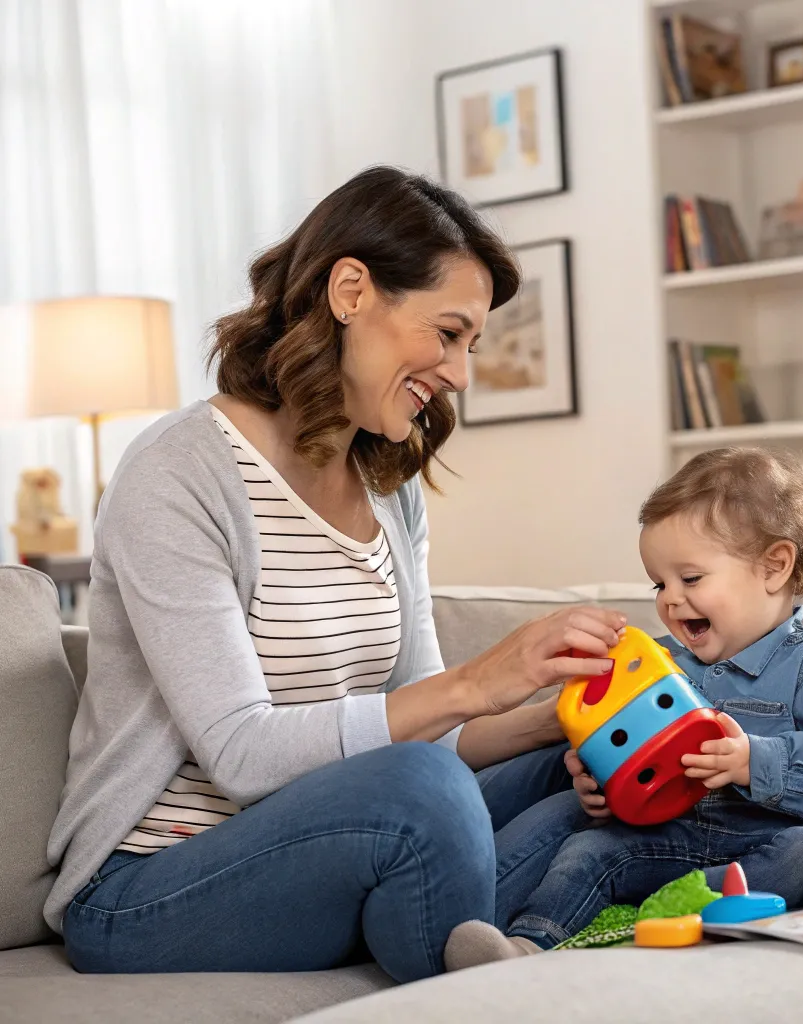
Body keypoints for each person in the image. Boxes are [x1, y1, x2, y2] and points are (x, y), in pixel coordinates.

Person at [49, 166, 624, 982]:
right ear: (351, 291)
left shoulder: (388, 490)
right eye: (449, 332)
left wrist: (563, 717)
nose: (460, 374)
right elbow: (242, 755)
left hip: (327, 842)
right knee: (419, 790)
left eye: (472, 344)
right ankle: (491, 965)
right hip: (153, 885)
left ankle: (479, 937)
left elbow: (434, 732)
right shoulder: (177, 475)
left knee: (579, 778)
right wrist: (478, 680)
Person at [446, 447, 803, 968]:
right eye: (659, 583)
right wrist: (597, 780)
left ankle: (696, 906)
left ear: (774, 565)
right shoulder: (658, 662)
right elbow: (620, 748)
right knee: (590, 850)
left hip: (773, 839)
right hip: (677, 836)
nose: (670, 599)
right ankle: (527, 943)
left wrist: (752, 759)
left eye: (691, 579)